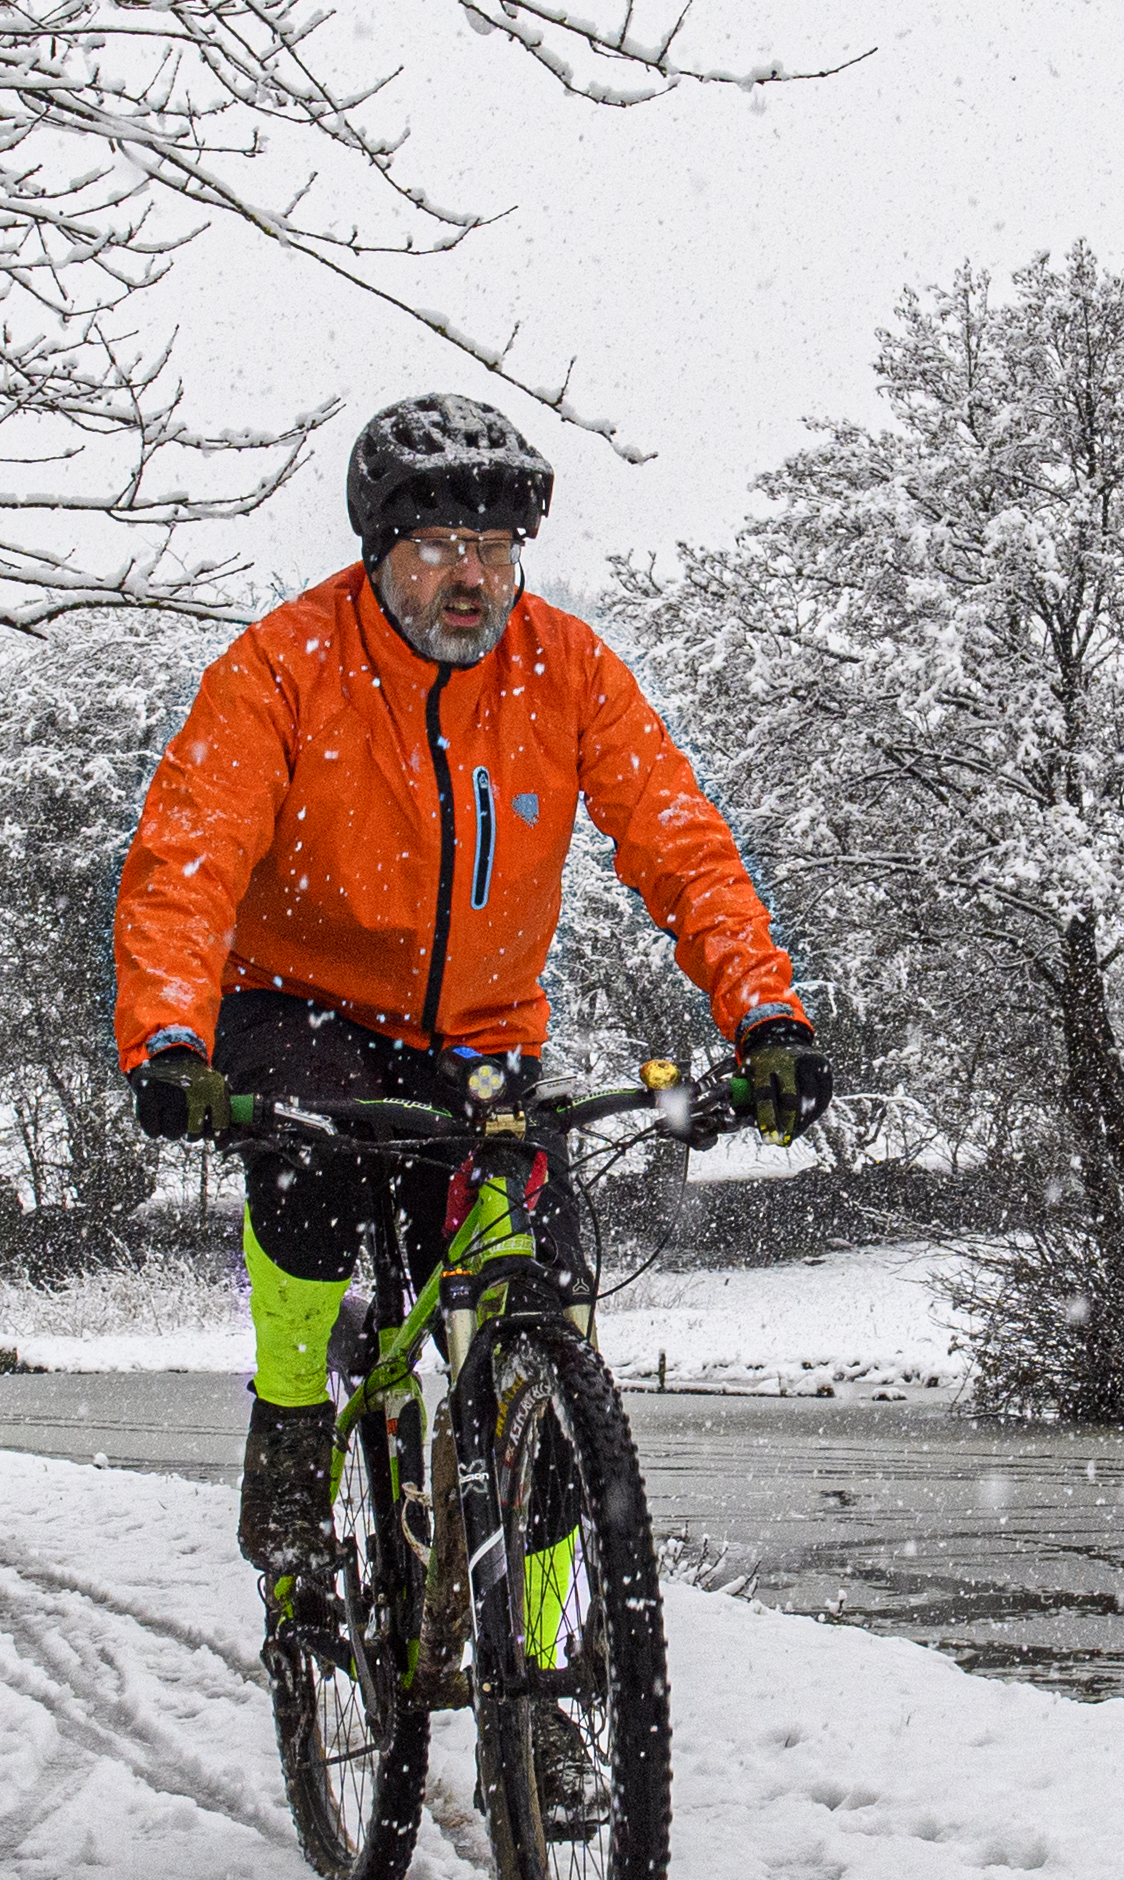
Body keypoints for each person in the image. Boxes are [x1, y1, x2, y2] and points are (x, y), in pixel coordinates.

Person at [111, 393, 826, 1605]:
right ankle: (290, 1406)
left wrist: (765, 1017)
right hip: (299, 1005)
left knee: (543, 1288)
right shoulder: (283, 671)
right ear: (378, 551)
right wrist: (171, 1036)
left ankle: (547, 1671)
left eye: (496, 552)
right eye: (440, 548)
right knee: (314, 1160)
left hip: (480, 1045)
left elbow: (679, 843)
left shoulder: (568, 670)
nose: (472, 580)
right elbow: (189, 857)